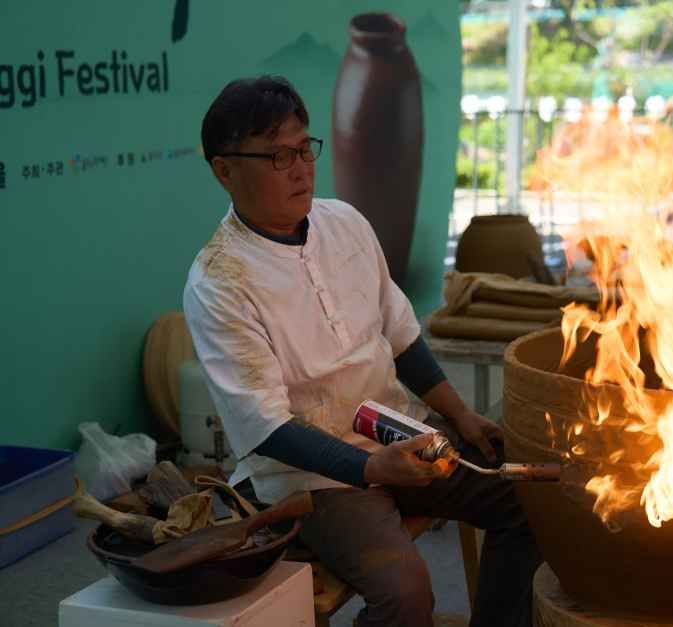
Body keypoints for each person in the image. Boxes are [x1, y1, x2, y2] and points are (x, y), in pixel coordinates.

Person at [183, 75, 540, 627]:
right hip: (310, 478)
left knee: (530, 501)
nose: (301, 167)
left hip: (397, 429)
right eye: (278, 155)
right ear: (224, 169)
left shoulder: (343, 222)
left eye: (304, 148)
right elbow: (267, 426)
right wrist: (374, 468)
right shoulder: (219, 281)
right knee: (405, 594)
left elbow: (401, 336)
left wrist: (459, 413)